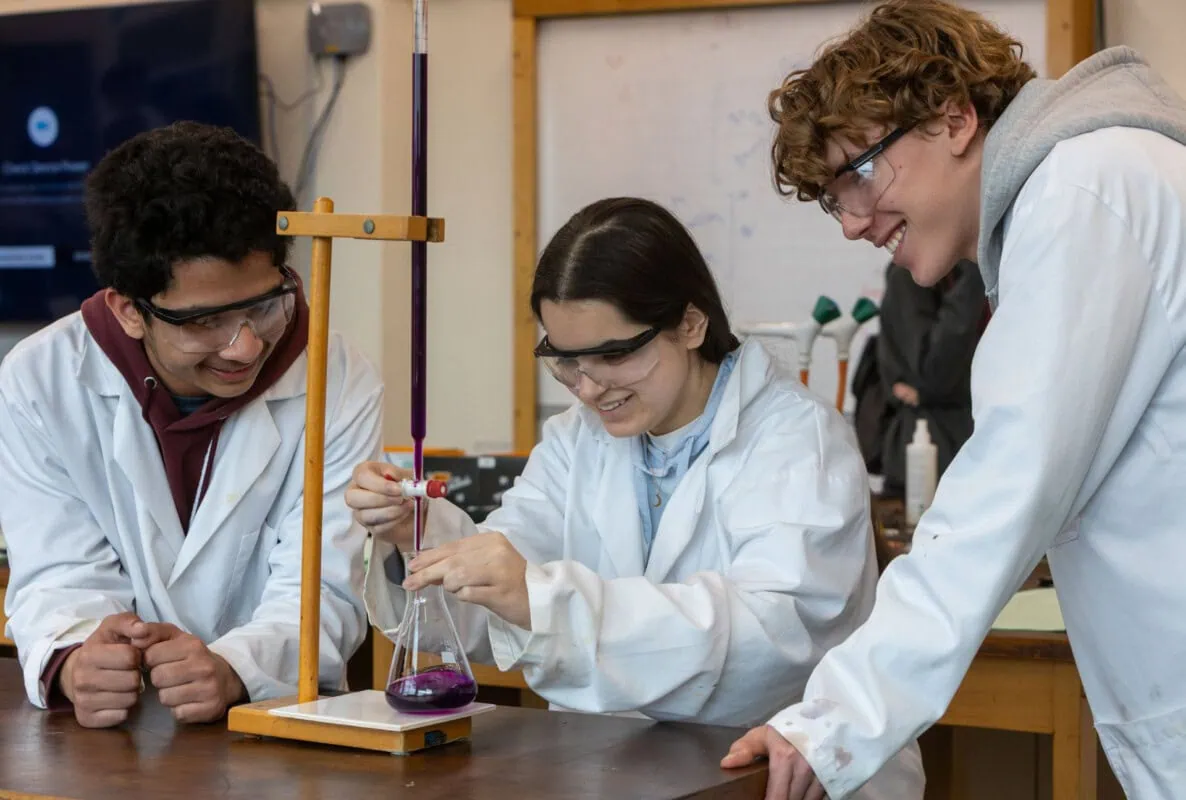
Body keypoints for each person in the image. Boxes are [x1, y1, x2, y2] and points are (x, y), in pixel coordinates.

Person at [718, 1, 1186, 797]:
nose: (853, 223)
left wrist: (831, 720)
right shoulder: (1096, 183)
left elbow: (1006, 489)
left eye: (859, 173)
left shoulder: (1083, 191)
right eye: (837, 197)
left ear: (956, 118)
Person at [348, 197, 923, 799]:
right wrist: (415, 535)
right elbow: (499, 596)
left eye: (615, 355)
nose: (590, 388)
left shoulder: (797, 439)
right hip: (620, 771)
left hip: (773, 778)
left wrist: (548, 603)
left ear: (691, 324)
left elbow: (773, 641)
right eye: (565, 362)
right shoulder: (576, 440)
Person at [0, 121, 380, 729]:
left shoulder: (336, 376)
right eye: (205, 321)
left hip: (272, 724)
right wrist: (77, 658)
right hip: (118, 747)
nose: (245, 346)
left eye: (264, 304)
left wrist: (236, 667)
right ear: (129, 309)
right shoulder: (39, 381)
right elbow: (57, 571)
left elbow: (327, 585)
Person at [873, 259, 986, 499]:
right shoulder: (912, 275)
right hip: (930, 450)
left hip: (971, 440)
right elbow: (931, 371)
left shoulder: (971, 274)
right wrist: (972, 283)